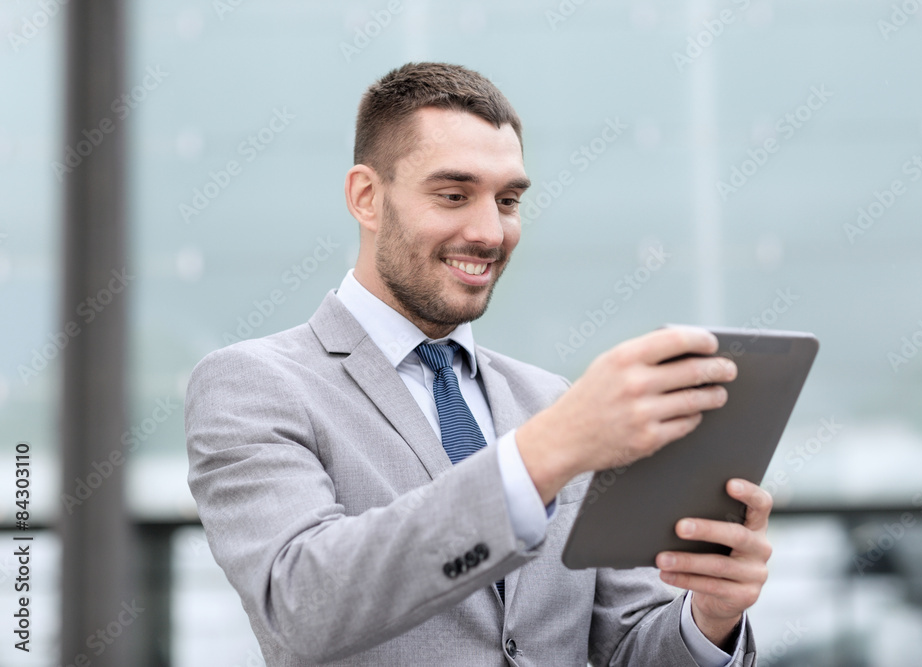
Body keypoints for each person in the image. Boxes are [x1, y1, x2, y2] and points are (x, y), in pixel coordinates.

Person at [185, 62, 772, 666]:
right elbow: (301, 605)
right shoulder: (254, 385)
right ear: (367, 197)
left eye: (509, 200)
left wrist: (711, 618)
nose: (490, 232)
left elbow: (628, 648)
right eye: (453, 195)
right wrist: (544, 455)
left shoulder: (549, 399)